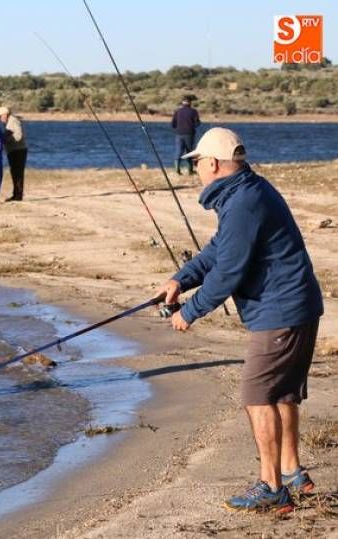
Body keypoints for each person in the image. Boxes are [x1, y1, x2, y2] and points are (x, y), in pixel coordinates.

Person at [156, 127, 323, 514]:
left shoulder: (244, 201)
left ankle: (271, 487)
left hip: (281, 312)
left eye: (197, 163)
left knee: (257, 396)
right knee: (280, 394)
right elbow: (219, 250)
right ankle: (292, 473)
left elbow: (229, 271)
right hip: (292, 307)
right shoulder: (244, 194)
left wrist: (190, 312)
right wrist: (180, 280)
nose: (196, 169)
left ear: (213, 164)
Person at [0, 106, 28, 201]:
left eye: (0, 116)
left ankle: (18, 195)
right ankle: (16, 194)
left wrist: (6, 140)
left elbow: (19, 136)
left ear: (5, 114)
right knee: (14, 172)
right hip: (14, 150)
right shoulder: (9, 122)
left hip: (18, 151)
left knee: (17, 173)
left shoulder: (13, 121)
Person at [171, 98, 201, 175]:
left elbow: (173, 124)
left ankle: (177, 169)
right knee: (189, 151)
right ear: (190, 103)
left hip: (179, 133)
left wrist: (177, 128)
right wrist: (191, 126)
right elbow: (197, 123)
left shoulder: (177, 111)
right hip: (189, 133)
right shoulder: (193, 111)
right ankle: (190, 170)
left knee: (179, 151)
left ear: (182, 103)